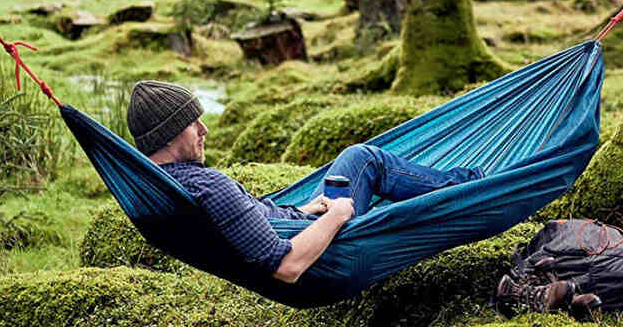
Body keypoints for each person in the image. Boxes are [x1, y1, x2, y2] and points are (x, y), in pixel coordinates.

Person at [126, 80, 485, 286]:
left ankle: (463, 183)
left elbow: (252, 221)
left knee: (356, 161)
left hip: (300, 223)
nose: (204, 131)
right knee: (365, 159)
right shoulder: (209, 188)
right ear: (171, 134)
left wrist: (303, 209)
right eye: (193, 124)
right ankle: (476, 185)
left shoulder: (164, 188)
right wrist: (337, 215)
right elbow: (287, 266)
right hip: (330, 252)